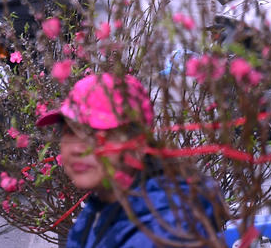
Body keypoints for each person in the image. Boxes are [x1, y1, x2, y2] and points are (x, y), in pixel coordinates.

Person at [38, 73, 225, 248]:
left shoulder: (167, 230)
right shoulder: (101, 208)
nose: (77, 148)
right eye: (70, 131)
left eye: (95, 133)